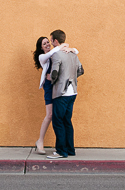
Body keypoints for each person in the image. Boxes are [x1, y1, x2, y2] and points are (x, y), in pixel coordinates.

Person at [33, 35, 77, 154]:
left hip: (58, 86)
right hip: (49, 87)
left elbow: (75, 51)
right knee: (50, 115)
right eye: (44, 44)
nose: (47, 44)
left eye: (48, 42)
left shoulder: (55, 53)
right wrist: (62, 46)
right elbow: (54, 51)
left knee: (60, 117)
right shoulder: (43, 57)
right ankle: (40, 141)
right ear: (41, 48)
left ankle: (64, 146)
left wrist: (70, 48)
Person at [47, 29, 84, 159]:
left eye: (51, 40)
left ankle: (61, 151)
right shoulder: (73, 54)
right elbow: (81, 70)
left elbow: (55, 74)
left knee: (58, 122)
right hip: (72, 91)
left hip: (61, 93)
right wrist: (71, 78)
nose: (51, 43)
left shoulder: (57, 55)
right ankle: (70, 149)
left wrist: (51, 79)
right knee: (67, 121)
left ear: (56, 41)